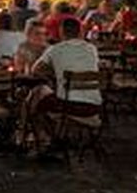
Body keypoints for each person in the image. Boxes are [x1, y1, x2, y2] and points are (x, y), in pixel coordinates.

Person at [21, 16, 101, 152]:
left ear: (61, 32)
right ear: (80, 32)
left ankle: (43, 137)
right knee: (43, 95)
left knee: (36, 96)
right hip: (94, 106)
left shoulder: (55, 49)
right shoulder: (92, 49)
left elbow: (35, 70)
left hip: (68, 106)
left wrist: (53, 72)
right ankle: (55, 137)